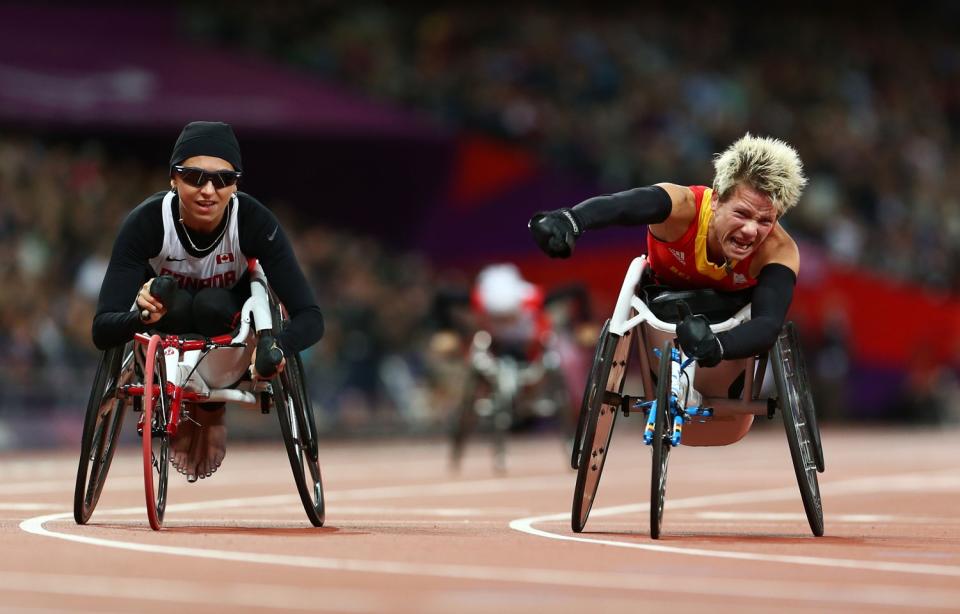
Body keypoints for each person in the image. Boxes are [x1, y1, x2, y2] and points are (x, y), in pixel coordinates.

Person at [92, 121, 324, 481]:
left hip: (227, 333)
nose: (208, 191)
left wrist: (278, 346)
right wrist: (139, 316)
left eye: (223, 179)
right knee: (175, 298)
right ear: (173, 178)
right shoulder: (146, 222)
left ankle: (210, 408)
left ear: (237, 183)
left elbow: (310, 317)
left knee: (210, 303)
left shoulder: (254, 221)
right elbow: (102, 329)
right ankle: (184, 402)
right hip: (168, 327)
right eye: (194, 177)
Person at [529, 133, 807, 367]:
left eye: (764, 220)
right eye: (742, 213)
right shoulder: (683, 206)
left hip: (728, 322)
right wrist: (572, 220)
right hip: (661, 304)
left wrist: (716, 346)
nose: (750, 230)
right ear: (717, 200)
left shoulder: (779, 250)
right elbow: (621, 206)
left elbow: (768, 324)